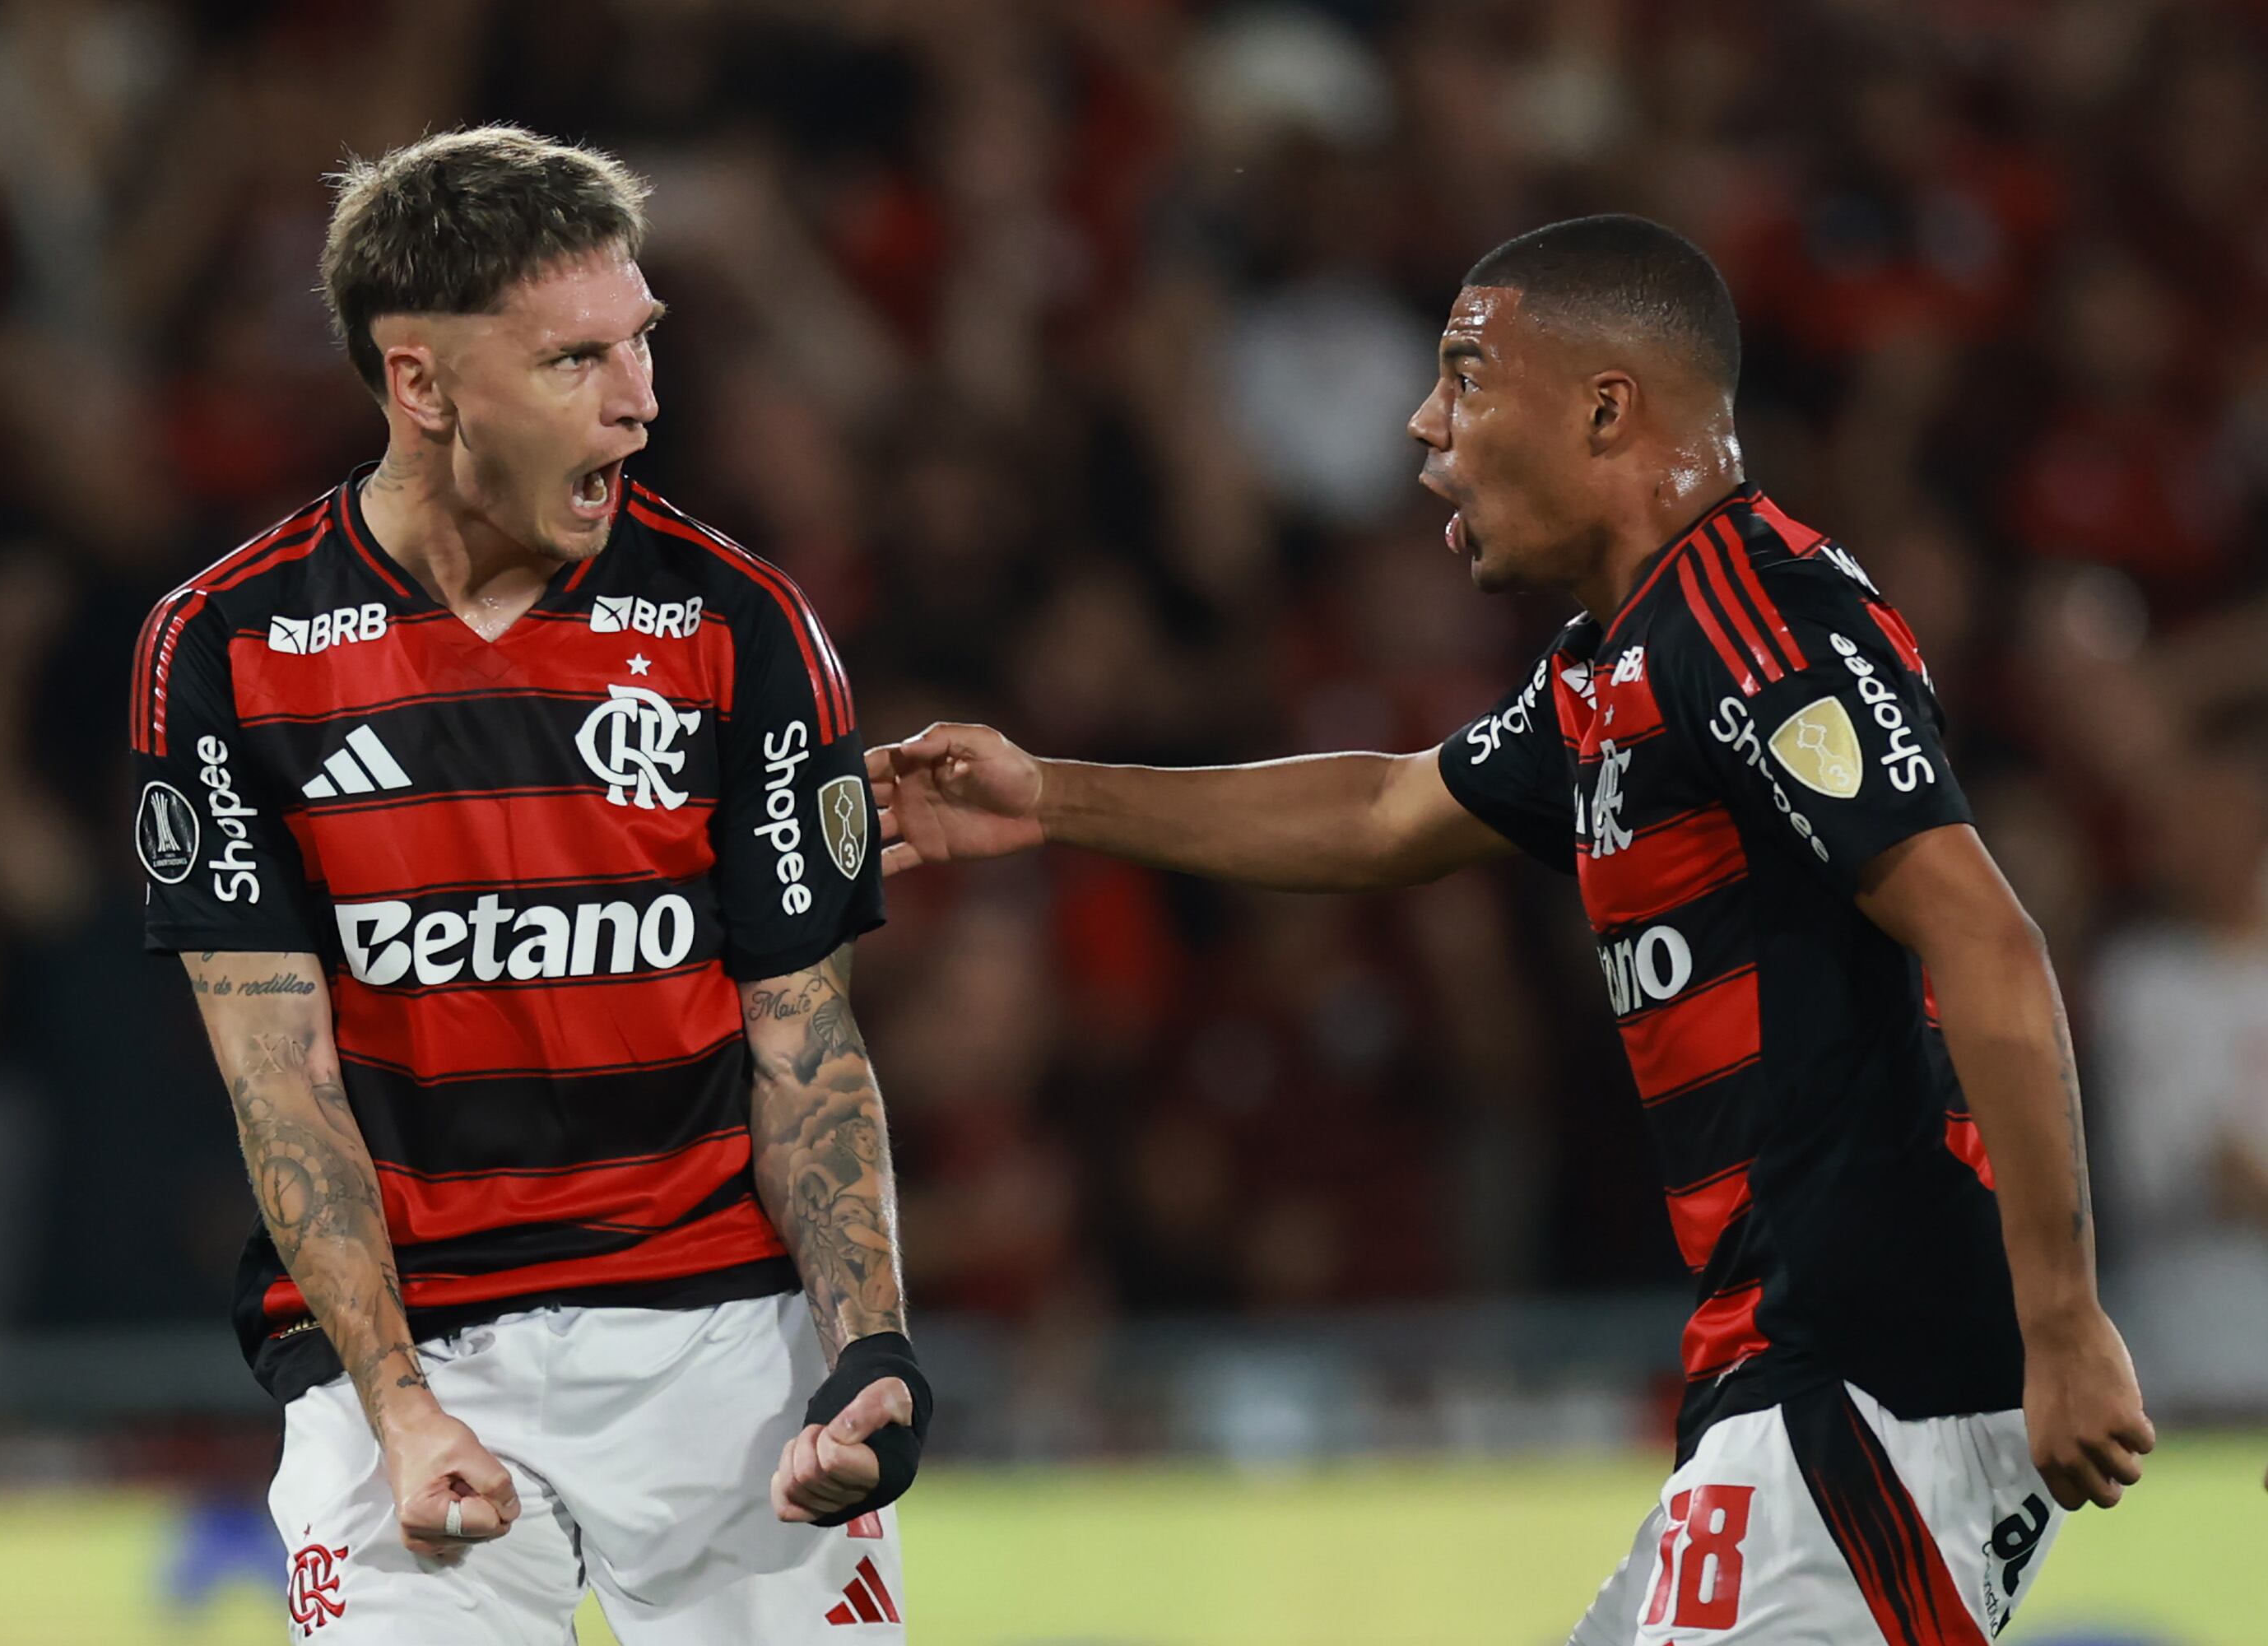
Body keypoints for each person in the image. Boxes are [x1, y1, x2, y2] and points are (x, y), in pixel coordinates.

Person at [871, 215, 2151, 1642]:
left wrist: (2065, 1324)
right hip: (1779, 1372)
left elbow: (1986, 939)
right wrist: (1048, 797)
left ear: (1607, 410)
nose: (1426, 422)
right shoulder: (1619, 662)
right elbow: (1384, 815)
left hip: (1879, 1367)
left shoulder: (1750, 621)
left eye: (1468, 377)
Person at [130, 127, 925, 1643]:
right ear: (420, 383)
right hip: (403, 1350)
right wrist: (402, 1409)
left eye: (642, 343)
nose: (641, 401)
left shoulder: (741, 627)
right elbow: (280, 1079)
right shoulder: (222, 650)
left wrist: (867, 1347)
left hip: (716, 1340)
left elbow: (805, 1047)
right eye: (577, 362)